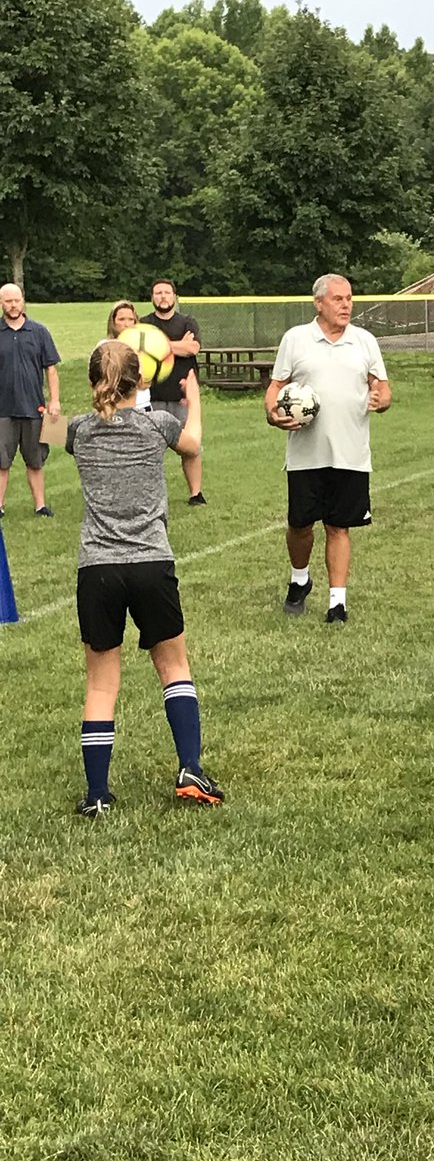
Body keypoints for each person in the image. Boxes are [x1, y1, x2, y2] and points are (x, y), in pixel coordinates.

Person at [66, 339, 224, 817]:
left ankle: (97, 795)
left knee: (100, 683)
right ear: (144, 379)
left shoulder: (79, 431)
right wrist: (193, 400)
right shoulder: (158, 424)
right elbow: (192, 445)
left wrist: (49, 403)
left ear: (93, 381)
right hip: (152, 563)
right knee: (173, 667)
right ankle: (190, 770)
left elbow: (56, 431)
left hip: (98, 567)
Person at [264, 273, 392, 624]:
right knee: (301, 525)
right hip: (306, 455)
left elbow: (383, 388)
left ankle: (337, 603)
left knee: (339, 526)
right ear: (318, 303)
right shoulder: (296, 339)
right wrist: (273, 414)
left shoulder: (364, 341)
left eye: (349, 298)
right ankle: (299, 579)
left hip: (351, 454)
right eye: (338, 299)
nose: (346, 304)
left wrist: (382, 399)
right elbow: (276, 388)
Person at [141, 278, 205, 505]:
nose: (163, 297)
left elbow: (192, 348)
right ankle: (150, 496)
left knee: (191, 447)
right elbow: (139, 351)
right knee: (148, 451)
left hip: (183, 397)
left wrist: (158, 346)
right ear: (152, 298)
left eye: (167, 293)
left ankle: (196, 493)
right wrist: (177, 345)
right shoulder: (144, 324)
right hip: (151, 396)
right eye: (158, 293)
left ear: (174, 297)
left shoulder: (188, 322)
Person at [0, 282, 61, 518]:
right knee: (1, 461)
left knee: (35, 460)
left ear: (23, 301)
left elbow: (52, 370)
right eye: (8, 301)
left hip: (34, 408)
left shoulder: (39, 332)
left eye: (16, 300)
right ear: (2, 303)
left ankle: (40, 505)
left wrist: (54, 401)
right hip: (3, 409)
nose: (13, 305)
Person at [103, 301, 151, 412]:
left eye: (131, 319)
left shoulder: (144, 346)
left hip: (141, 405)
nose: (127, 324)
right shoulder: (104, 346)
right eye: (122, 319)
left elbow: (145, 382)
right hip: (112, 405)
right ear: (113, 322)